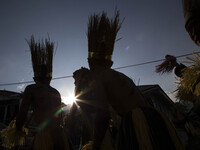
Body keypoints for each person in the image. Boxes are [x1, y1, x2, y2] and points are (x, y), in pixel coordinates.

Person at [71, 11, 183, 150]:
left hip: (137, 122)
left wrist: (96, 145)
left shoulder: (98, 77)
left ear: (91, 62)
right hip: (156, 118)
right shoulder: (120, 76)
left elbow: (103, 114)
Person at [15, 35, 71, 150]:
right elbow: (59, 116)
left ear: (36, 77)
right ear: (50, 77)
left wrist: (17, 130)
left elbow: (23, 111)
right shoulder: (55, 91)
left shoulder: (32, 89)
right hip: (60, 136)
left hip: (46, 135)